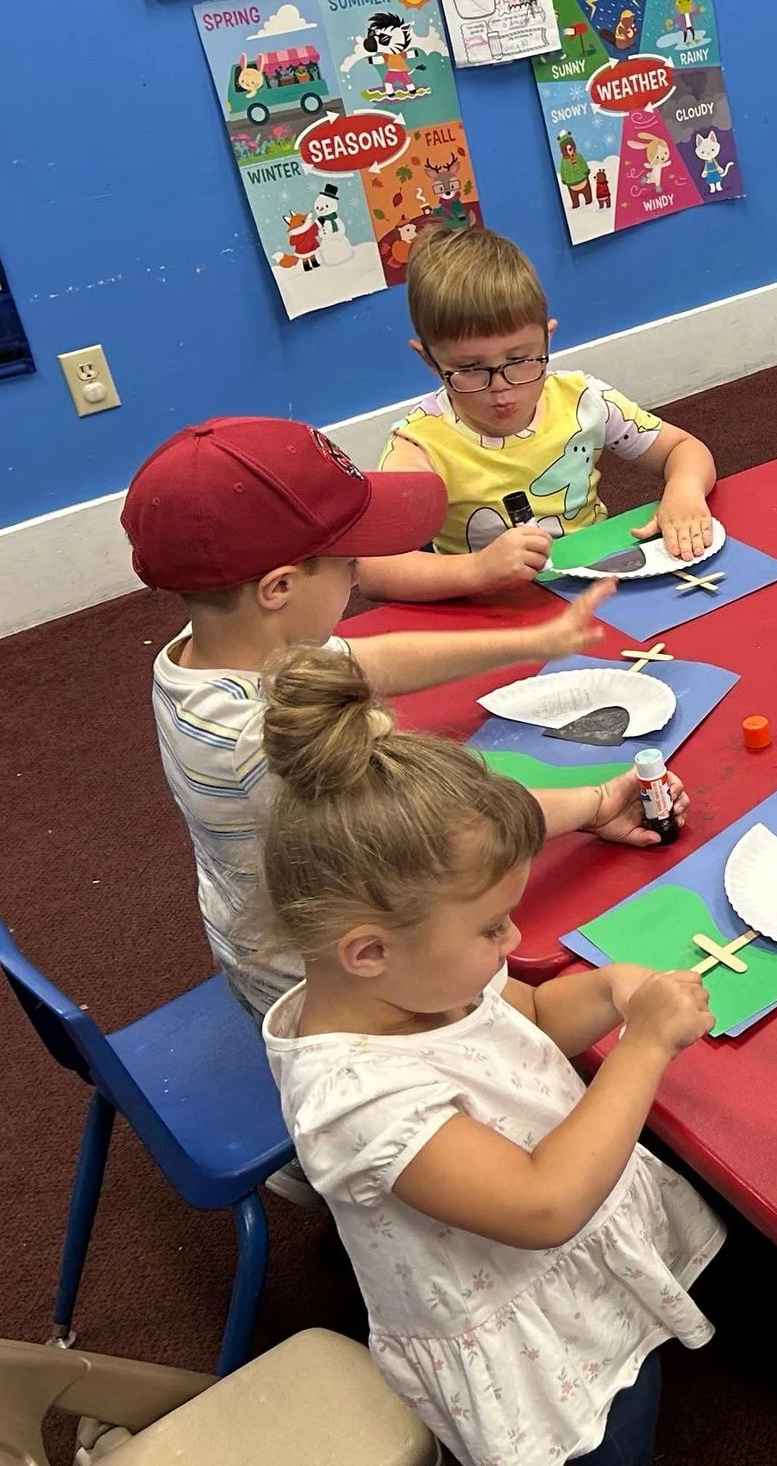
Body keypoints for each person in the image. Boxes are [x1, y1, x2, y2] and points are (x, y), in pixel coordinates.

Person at [256, 644, 741, 1466]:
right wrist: (643, 1049)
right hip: (528, 1319)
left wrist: (608, 994)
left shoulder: (424, 982)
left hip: (566, 1285)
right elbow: (540, 1208)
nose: (515, 941)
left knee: (583, 1455)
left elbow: (527, 1017)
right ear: (365, 951)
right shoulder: (353, 1101)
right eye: (490, 928)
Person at [123, 417, 688, 1027]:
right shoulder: (263, 741)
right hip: (346, 991)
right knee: (557, 1024)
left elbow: (363, 660)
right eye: (350, 564)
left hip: (267, 933)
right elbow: (456, 833)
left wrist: (532, 640)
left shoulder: (211, 648)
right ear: (279, 586)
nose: (361, 573)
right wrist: (598, 800)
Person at [359, 227, 717, 601]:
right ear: (429, 360)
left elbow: (684, 449)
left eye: (519, 359)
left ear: (547, 339)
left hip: (599, 583)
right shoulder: (419, 446)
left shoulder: (582, 400)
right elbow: (373, 571)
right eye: (470, 369)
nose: (501, 386)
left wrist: (684, 490)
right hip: (493, 608)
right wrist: (478, 570)